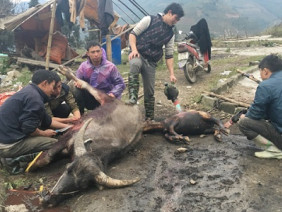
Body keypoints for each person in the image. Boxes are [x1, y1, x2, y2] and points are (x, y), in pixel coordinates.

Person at [0, 69, 72, 174]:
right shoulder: (35, 99)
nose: (53, 90)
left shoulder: (30, 91)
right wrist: (43, 133)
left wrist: (70, 127)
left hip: (6, 135)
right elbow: (28, 128)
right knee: (55, 145)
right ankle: (12, 159)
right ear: (45, 83)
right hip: (8, 144)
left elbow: (48, 121)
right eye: (53, 86)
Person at [127, 2, 184, 120]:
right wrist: (133, 50)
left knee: (150, 91)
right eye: (176, 18)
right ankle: (133, 97)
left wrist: (172, 73)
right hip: (138, 54)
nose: (176, 21)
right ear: (169, 12)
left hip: (151, 61)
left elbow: (169, 55)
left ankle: (149, 119)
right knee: (135, 64)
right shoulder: (149, 20)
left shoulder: (170, 34)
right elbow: (133, 34)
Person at [237, 54, 282, 159]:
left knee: (244, 123)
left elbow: (255, 113)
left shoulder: (266, 86)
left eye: (260, 72)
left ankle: (275, 151)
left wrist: (245, 116)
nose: (260, 75)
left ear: (265, 71)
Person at [72, 41, 126, 114]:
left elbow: (120, 84)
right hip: (91, 98)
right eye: (93, 52)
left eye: (98, 51)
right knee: (75, 89)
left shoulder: (110, 67)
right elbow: (78, 80)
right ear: (88, 53)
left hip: (107, 99)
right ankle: (80, 115)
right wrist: (77, 84)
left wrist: (113, 93)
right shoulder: (83, 67)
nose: (96, 54)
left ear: (101, 51)